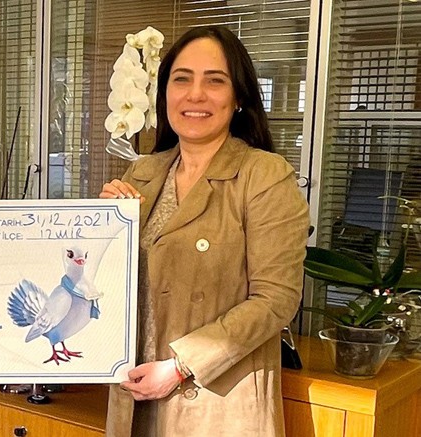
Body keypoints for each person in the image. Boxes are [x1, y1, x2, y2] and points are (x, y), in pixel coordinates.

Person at [99, 26, 309, 436]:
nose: (195, 95)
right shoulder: (142, 174)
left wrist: (180, 366)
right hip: (133, 389)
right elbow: (106, 287)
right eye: (182, 79)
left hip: (213, 400)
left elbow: (276, 299)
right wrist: (103, 229)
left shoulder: (264, 176)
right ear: (165, 94)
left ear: (238, 98)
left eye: (215, 81)